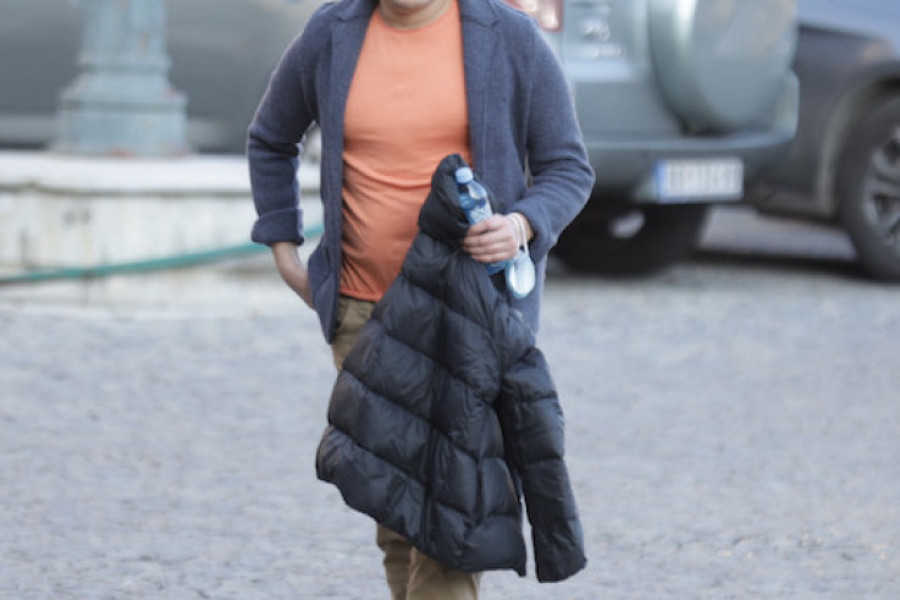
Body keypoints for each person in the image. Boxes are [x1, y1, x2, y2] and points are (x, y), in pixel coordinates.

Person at [247, 0, 594, 596]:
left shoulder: (508, 36)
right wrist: (284, 246)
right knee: (397, 507)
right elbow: (271, 139)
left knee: (454, 517)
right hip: (365, 317)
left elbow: (568, 167)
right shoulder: (333, 32)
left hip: (470, 322)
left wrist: (521, 224)